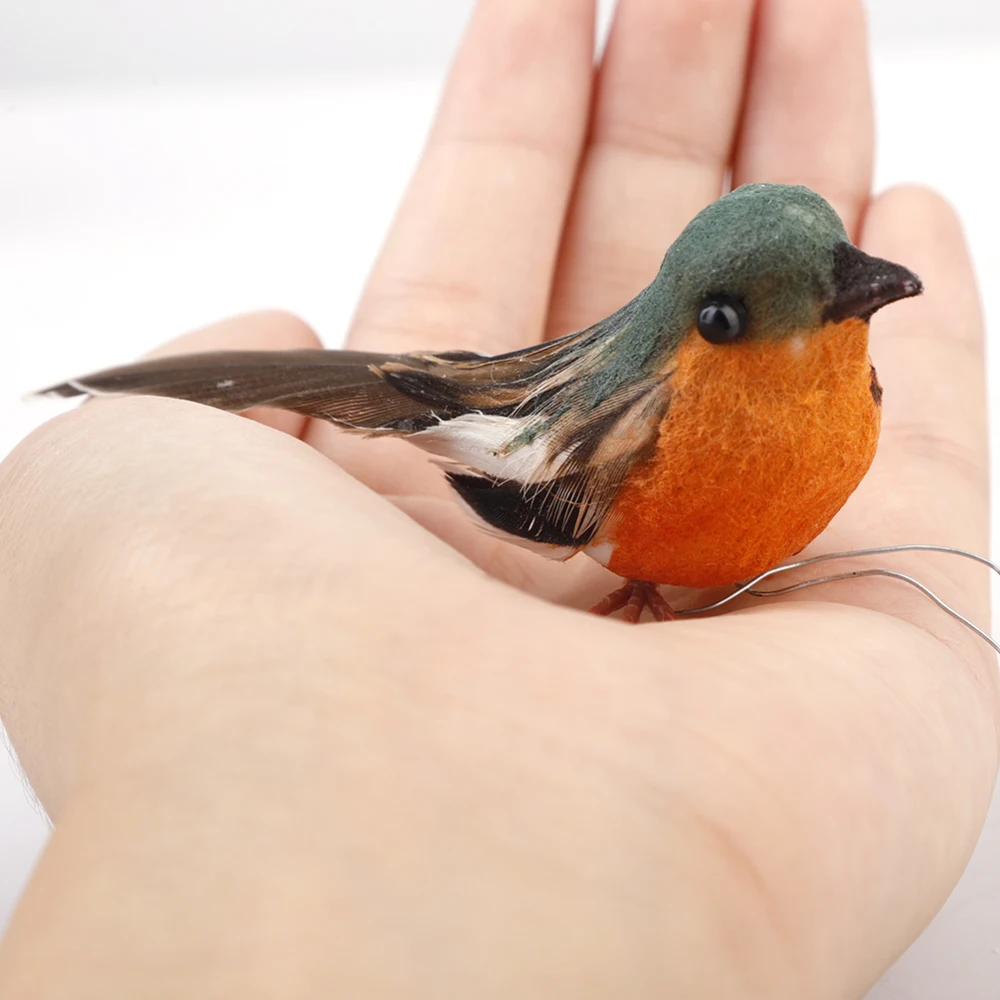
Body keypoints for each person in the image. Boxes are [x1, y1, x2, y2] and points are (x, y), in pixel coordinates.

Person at [0, 0, 994, 995]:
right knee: (417, 397)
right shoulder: (650, 448)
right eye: (787, 306)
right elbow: (523, 473)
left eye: (837, 273)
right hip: (539, 433)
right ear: (716, 328)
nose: (855, 298)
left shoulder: (849, 394)